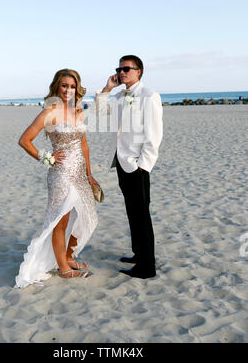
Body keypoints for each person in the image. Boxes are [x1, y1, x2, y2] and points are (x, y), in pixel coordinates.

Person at [14, 69, 99, 288]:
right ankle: (63, 268)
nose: (68, 90)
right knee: (59, 220)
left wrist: (89, 175)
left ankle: (69, 256)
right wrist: (46, 157)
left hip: (80, 173)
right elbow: (24, 140)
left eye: (72, 86)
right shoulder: (48, 113)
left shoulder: (78, 111)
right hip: (60, 174)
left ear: (76, 88)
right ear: (56, 87)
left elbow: (84, 144)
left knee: (86, 217)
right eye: (64, 85)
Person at [95, 55, 163, 278]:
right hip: (121, 162)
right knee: (132, 212)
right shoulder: (119, 96)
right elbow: (100, 110)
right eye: (119, 69)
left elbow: (154, 135)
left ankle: (146, 267)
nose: (122, 72)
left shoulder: (149, 96)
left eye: (126, 69)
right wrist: (107, 87)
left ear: (139, 71)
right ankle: (139, 254)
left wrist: (143, 165)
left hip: (137, 165)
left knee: (141, 214)